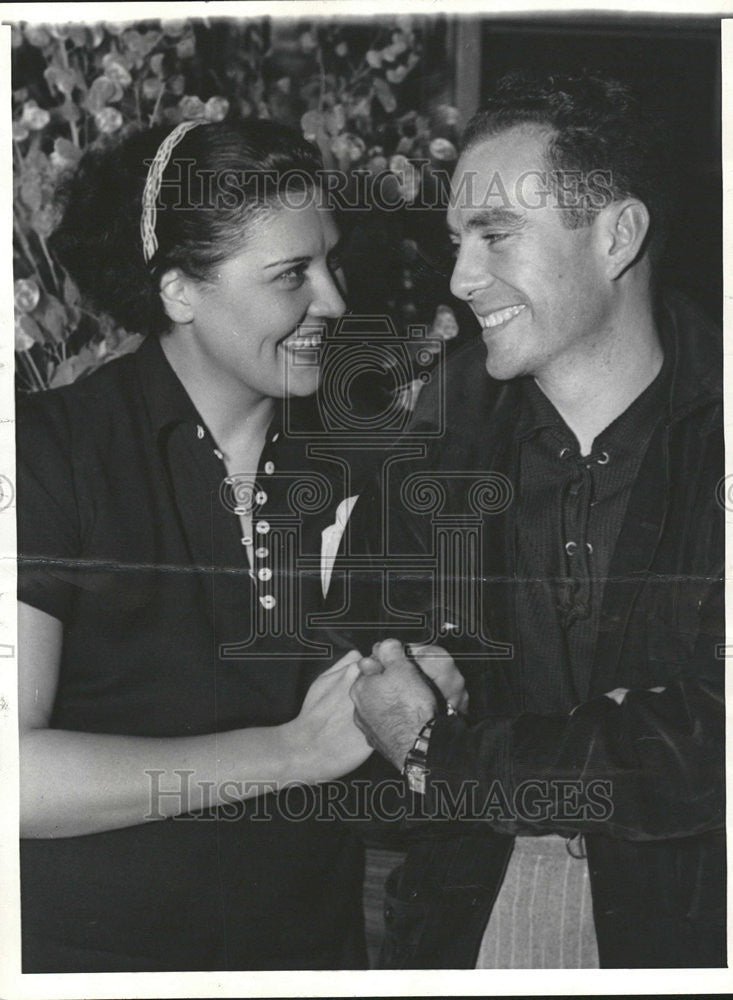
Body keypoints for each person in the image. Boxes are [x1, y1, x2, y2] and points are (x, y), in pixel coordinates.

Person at [17, 117, 464, 972]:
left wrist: (427, 707)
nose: (332, 300)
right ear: (180, 290)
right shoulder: (49, 453)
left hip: (309, 954)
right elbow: (16, 778)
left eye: (328, 261)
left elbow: (380, 756)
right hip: (92, 963)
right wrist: (290, 753)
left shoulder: (361, 457)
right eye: (292, 274)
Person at [349, 71, 724, 969]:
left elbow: (709, 750)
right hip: (470, 920)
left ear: (617, 235)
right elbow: (365, 695)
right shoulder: (425, 446)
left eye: (495, 236)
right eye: (455, 240)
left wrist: (452, 754)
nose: (460, 278)